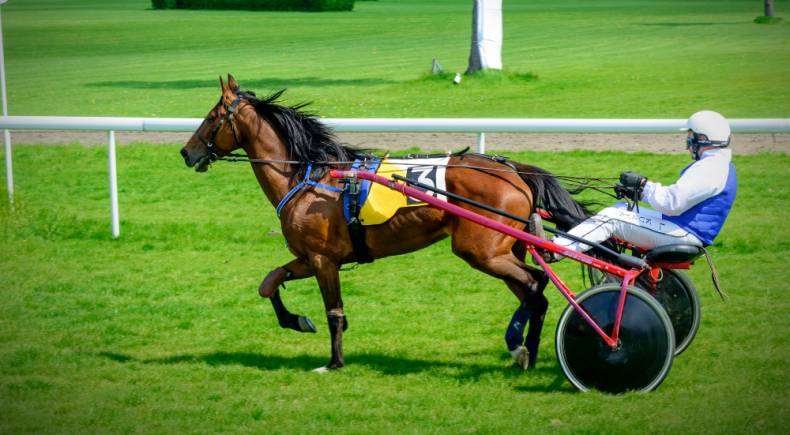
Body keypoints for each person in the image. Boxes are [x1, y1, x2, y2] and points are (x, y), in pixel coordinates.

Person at [505, 110, 738, 370]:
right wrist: (634, 191)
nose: (688, 145)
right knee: (620, 209)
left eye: (691, 139)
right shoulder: (718, 165)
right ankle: (564, 246)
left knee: (611, 219)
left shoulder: (709, 168)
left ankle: (555, 250)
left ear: (704, 139)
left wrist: (643, 184)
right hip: (685, 229)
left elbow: (672, 202)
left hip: (682, 233)